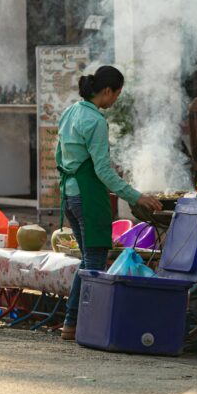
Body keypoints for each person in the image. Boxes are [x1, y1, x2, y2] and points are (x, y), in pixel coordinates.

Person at [56, 66, 161, 341]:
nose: (115, 100)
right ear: (106, 91)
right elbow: (102, 171)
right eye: (116, 94)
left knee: (87, 260)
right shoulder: (95, 121)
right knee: (93, 262)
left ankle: (74, 322)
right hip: (88, 197)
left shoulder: (71, 112)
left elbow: (59, 155)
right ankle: (73, 321)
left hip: (69, 195)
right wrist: (136, 196)